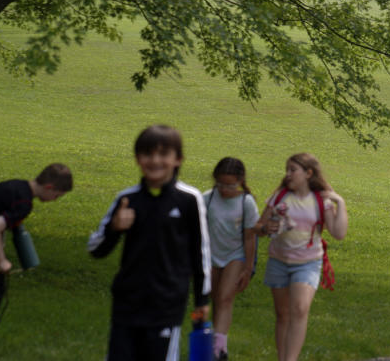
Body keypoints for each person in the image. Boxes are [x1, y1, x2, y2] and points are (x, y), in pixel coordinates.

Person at [88, 125, 211, 361]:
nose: (155, 160)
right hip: (127, 303)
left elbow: (201, 253)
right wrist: (115, 228)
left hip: (167, 305)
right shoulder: (127, 199)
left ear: (178, 159)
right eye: (147, 153)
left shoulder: (189, 199)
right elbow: (96, 249)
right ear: (137, 158)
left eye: (163, 154)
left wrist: (202, 300)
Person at [255, 153, 348, 361]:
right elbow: (259, 227)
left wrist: (339, 202)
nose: (288, 174)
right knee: (283, 315)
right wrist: (265, 228)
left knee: (299, 309)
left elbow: (339, 233)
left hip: (307, 263)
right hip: (278, 261)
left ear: (308, 173)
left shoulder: (320, 200)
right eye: (286, 170)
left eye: (293, 170)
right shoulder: (279, 196)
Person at [0, 164, 72, 340]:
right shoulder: (24, 204)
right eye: (57, 196)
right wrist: (1, 261)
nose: (55, 200)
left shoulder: (15, 184)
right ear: (49, 187)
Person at [204, 157, 260, 361]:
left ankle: (219, 350)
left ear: (240, 181)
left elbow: (249, 237)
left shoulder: (246, 202)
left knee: (226, 298)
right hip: (211, 255)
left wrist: (247, 268)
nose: (224, 189)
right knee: (214, 299)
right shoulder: (207, 199)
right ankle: (212, 342)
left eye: (230, 185)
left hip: (235, 256)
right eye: (220, 184)